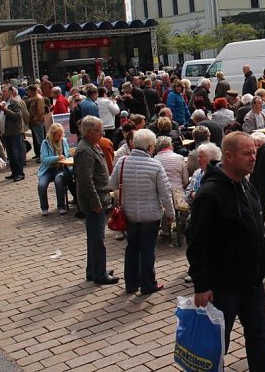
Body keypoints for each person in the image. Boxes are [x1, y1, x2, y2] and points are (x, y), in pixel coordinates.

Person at [187, 132, 265, 370]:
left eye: (255, 152)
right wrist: (201, 286)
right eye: (247, 153)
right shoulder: (210, 194)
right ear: (228, 156)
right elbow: (197, 244)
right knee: (216, 345)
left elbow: (256, 225)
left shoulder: (246, 184)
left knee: (259, 336)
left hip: (252, 283)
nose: (253, 158)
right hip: (223, 288)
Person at [110, 128, 174, 295]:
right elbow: (165, 193)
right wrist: (170, 214)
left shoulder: (122, 162)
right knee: (147, 249)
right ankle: (148, 284)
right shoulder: (155, 165)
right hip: (151, 214)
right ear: (150, 146)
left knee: (132, 248)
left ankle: (131, 283)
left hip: (129, 212)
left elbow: (112, 184)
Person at [75, 116, 119, 285]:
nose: (102, 133)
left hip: (100, 196)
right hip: (95, 201)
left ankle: (94, 269)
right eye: (99, 131)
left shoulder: (93, 145)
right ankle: (99, 273)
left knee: (94, 237)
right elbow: (86, 180)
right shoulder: (85, 150)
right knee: (97, 239)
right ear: (89, 132)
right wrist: (95, 203)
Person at [38, 123, 71, 215]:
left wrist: (71, 153)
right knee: (42, 185)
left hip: (60, 168)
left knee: (59, 181)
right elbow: (44, 159)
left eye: (61, 134)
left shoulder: (64, 141)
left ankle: (61, 206)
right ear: (52, 134)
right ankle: (44, 208)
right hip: (48, 169)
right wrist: (56, 158)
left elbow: (67, 155)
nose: (60, 137)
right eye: (58, 135)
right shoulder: (45, 143)